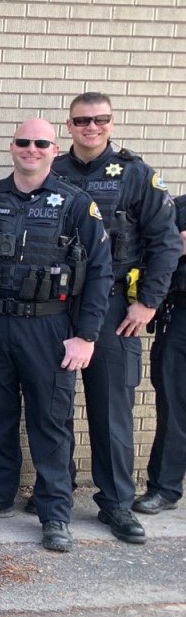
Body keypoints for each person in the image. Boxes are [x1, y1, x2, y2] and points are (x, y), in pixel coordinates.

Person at [0, 118, 113, 552]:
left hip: (49, 327)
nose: (31, 149)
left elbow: (99, 273)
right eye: (23, 141)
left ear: (55, 149)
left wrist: (87, 335)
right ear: (11, 146)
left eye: (40, 142)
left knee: (49, 422)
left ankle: (54, 514)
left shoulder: (76, 204)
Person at [47, 92, 181, 543]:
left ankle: (117, 504)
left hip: (114, 308)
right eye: (82, 120)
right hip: (57, 305)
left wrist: (148, 302)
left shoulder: (135, 174)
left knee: (111, 411)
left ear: (112, 122)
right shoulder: (52, 170)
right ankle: (56, 494)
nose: (91, 127)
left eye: (100, 119)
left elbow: (165, 243)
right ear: (69, 125)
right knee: (53, 408)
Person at [141, 194, 186, 515]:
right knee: (173, 408)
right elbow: (148, 255)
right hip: (180, 314)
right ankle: (164, 488)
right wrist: (177, 249)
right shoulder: (176, 209)